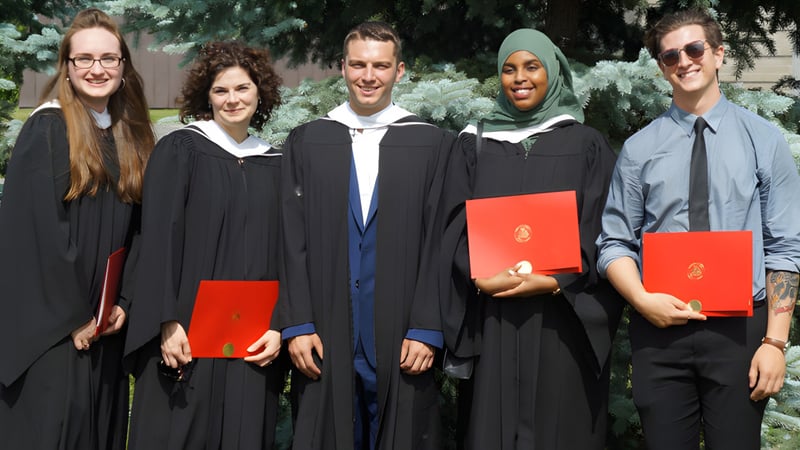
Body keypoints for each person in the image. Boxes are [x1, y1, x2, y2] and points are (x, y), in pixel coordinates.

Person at [596, 9, 800, 450]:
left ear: (718, 54)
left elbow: (785, 247)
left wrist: (775, 343)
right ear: (661, 67)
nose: (683, 61)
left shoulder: (762, 140)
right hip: (659, 331)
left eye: (694, 49)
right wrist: (642, 299)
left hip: (740, 331)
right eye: (670, 56)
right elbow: (614, 242)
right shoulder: (638, 149)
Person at [439, 28, 624, 449]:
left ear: (553, 71)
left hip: (562, 319)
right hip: (492, 318)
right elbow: (451, 224)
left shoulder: (585, 144)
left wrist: (559, 280)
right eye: (509, 69)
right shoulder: (475, 144)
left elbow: (603, 225)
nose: (519, 78)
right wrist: (477, 274)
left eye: (532, 66)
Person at [279, 21, 456, 450]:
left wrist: (428, 327)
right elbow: (290, 239)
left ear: (400, 71)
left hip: (402, 332)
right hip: (325, 326)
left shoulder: (432, 145)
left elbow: (443, 242)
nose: (368, 76)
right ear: (342, 68)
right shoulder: (308, 141)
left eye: (380, 65)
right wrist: (297, 324)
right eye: (358, 64)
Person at [0, 8, 154, 449]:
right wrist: (73, 316)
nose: (96, 69)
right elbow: (36, 233)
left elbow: (141, 227)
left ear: (123, 66)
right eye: (83, 59)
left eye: (108, 58)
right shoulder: (48, 129)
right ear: (66, 68)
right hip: (53, 329)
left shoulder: (129, 134)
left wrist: (124, 300)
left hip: (103, 324)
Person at [123, 41, 285, 449]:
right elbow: (156, 239)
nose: (233, 99)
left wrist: (280, 325)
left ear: (259, 92)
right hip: (188, 334)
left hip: (252, 339)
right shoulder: (181, 151)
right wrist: (166, 320)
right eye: (221, 90)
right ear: (206, 97)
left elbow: (288, 253)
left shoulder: (276, 164)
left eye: (243, 88)